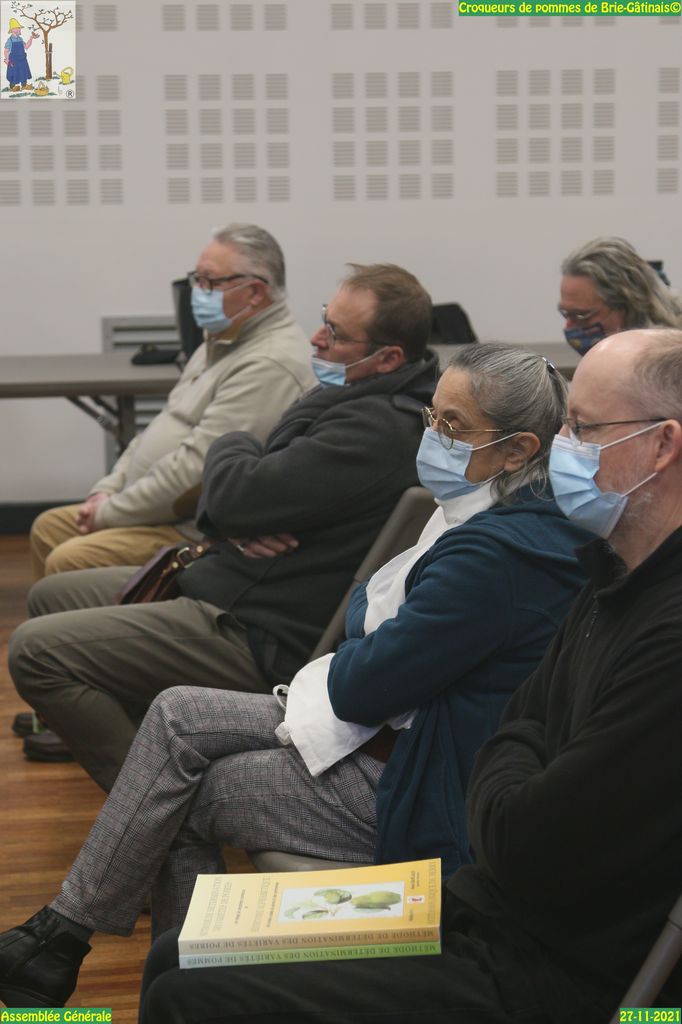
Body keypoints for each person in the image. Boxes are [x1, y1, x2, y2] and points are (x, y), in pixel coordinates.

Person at [0, 343, 594, 1010]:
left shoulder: (496, 553)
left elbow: (364, 671)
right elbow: (368, 612)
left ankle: (139, 969)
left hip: (424, 775)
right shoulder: (489, 506)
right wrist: (375, 623)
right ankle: (69, 942)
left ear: (517, 450)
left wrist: (373, 624)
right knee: (175, 715)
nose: (432, 435)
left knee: (184, 784)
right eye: (432, 416)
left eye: (452, 426)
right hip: (399, 732)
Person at [129, 326, 682, 1024]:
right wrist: (517, 755)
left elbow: (524, 836)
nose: (563, 445)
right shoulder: (612, 573)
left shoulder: (664, 630)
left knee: (189, 988)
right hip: (491, 909)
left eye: (582, 427)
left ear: (662, 445)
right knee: (178, 955)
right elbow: (521, 727)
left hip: (548, 963)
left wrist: (511, 758)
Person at [9, 263, 438, 787]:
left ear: (388, 358)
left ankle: (162, 807)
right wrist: (241, 511)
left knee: (35, 652)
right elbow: (239, 504)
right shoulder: (351, 397)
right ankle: (165, 752)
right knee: (51, 595)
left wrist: (232, 445)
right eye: (325, 318)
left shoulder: (376, 427)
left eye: (337, 333)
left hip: (258, 629)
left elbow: (235, 495)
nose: (317, 337)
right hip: (232, 581)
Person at [28, 222, 314, 582]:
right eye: (197, 279)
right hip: (156, 510)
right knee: (49, 528)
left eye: (209, 282)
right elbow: (158, 429)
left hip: (193, 527)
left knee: (70, 558)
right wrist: (107, 490)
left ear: (255, 292)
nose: (198, 292)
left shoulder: (269, 362)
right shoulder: (221, 340)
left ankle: (81, 620)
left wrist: (109, 513)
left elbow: (195, 475)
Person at [559, 235, 682, 355]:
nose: (569, 327)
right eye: (565, 313)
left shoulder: (671, 362)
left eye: (581, 316)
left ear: (628, 306)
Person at [3, 18, 37, 93]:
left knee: (23, 72)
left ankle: (24, 85)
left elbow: (26, 46)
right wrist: (7, 59)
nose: (19, 29)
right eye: (17, 28)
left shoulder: (20, 39)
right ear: (12, 30)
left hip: (22, 60)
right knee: (14, 73)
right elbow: (6, 50)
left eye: (19, 28)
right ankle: (12, 87)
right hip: (14, 61)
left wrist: (31, 38)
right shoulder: (10, 40)